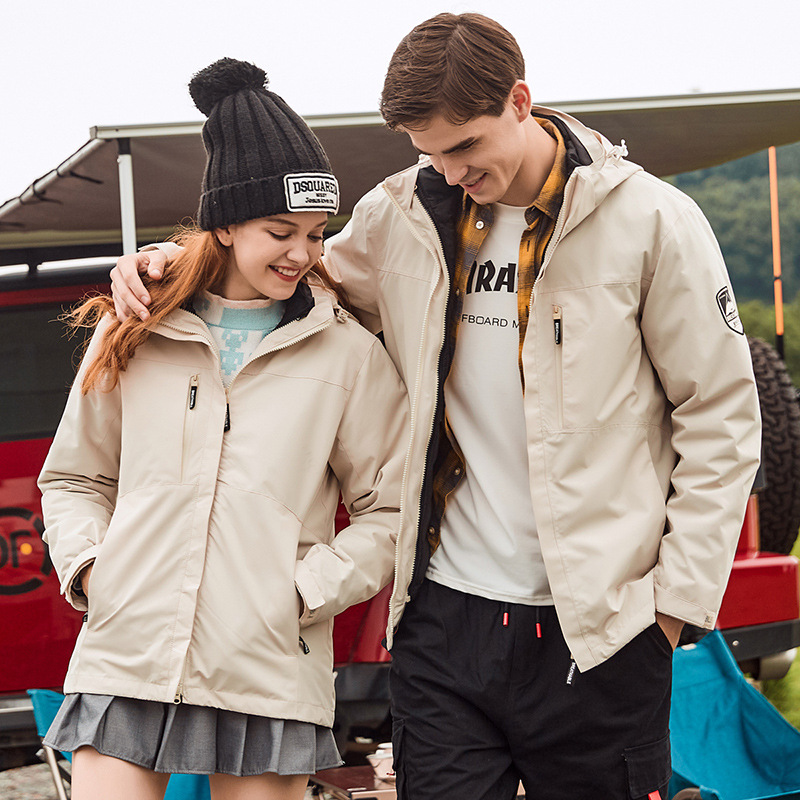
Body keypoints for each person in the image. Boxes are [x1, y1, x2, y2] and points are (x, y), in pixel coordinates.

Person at [110, 14, 761, 800]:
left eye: (465, 148)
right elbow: (291, 276)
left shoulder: (651, 221)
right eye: (427, 153)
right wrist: (174, 262)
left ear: (521, 102)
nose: (450, 172)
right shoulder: (400, 216)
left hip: (602, 625)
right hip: (444, 623)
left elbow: (721, 417)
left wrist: (671, 612)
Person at [38, 58, 408, 800]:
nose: (303, 253)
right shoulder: (136, 329)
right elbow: (75, 476)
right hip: (129, 652)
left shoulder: (349, 355)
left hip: (266, 662)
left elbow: (392, 508)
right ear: (227, 222)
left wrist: (302, 591)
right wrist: (93, 569)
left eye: (316, 232)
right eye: (281, 231)